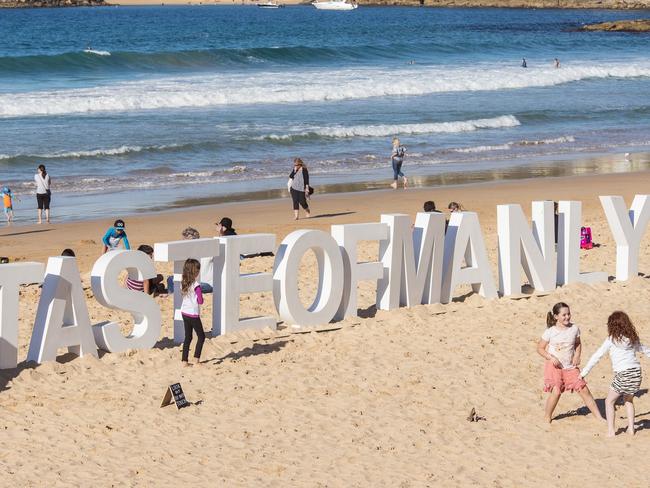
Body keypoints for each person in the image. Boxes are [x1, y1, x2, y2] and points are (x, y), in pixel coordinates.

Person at [580, 311, 650, 437]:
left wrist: (584, 372)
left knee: (609, 402)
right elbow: (646, 350)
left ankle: (611, 431)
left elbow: (597, 356)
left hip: (624, 374)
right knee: (628, 400)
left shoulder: (611, 340)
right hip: (636, 373)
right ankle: (631, 429)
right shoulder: (632, 338)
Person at [537, 302, 604, 423]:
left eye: (568, 314)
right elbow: (540, 348)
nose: (567, 317)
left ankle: (599, 417)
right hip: (554, 367)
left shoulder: (574, 329)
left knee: (583, 389)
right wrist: (550, 357)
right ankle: (547, 416)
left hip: (570, 366)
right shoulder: (550, 331)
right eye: (564, 315)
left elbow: (578, 343)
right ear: (556, 317)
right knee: (556, 391)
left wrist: (577, 355)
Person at [180, 258, 206, 367]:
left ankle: (184, 361)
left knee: (188, 337)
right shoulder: (196, 285)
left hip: (184, 312)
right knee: (201, 336)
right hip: (193, 314)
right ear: (195, 272)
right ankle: (196, 360)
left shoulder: (183, 282)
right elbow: (200, 301)